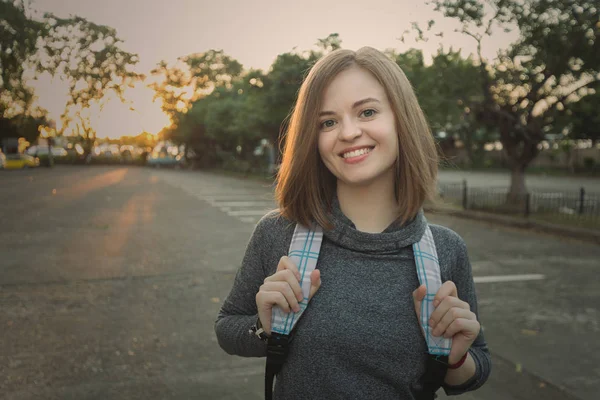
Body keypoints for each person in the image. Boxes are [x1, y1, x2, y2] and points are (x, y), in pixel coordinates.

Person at [215, 47, 491, 399]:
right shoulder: (277, 233)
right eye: (327, 122)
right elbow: (227, 327)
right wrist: (263, 329)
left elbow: (475, 366)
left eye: (367, 112)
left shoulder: (446, 249)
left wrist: (455, 359)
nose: (348, 132)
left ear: (401, 119)